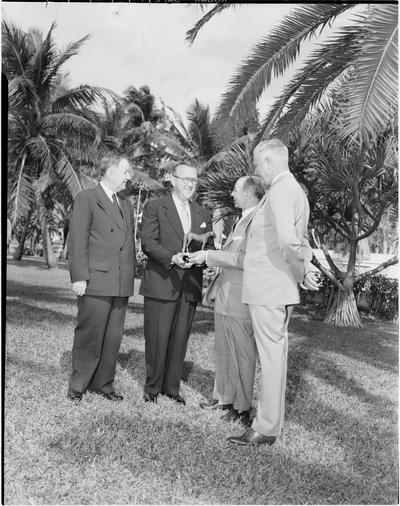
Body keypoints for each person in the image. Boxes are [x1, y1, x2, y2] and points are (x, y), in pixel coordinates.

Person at [227, 139, 318, 446]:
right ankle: (269, 424)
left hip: (269, 289)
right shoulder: (295, 191)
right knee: (273, 358)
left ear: (269, 162)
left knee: (271, 359)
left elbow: (288, 241)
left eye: (256, 163)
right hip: (275, 288)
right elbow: (299, 241)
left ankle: (265, 428)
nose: (255, 170)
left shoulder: (280, 190)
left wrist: (301, 271)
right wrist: (303, 269)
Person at [189, 176, 264, 426]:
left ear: (251, 193)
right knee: (224, 351)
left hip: (241, 299)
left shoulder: (258, 220)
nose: (232, 194)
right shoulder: (241, 219)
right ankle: (223, 398)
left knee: (242, 354)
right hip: (226, 296)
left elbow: (244, 261)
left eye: (235, 190)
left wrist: (208, 256)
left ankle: (242, 408)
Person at [139, 162, 214, 405]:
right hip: (163, 281)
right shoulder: (154, 207)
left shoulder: (204, 214)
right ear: (173, 179)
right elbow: (148, 243)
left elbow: (209, 249)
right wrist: (172, 258)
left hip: (189, 286)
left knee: (180, 338)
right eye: (185, 179)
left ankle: (172, 388)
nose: (189, 185)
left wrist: (200, 259)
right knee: (157, 337)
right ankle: (152, 388)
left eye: (193, 181)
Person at [67, 154, 135, 402]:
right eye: (126, 171)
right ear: (110, 171)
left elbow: (128, 244)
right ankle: (78, 385)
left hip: (120, 282)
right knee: (89, 335)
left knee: (112, 338)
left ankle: (103, 385)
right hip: (95, 280)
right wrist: (79, 277)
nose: (130, 176)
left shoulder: (125, 204)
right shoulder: (87, 198)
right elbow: (77, 240)